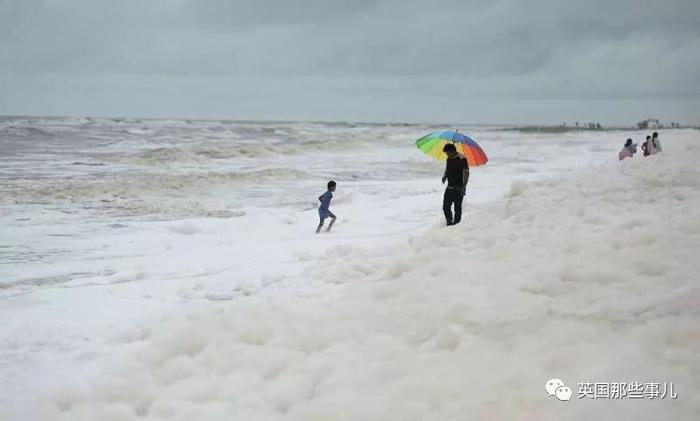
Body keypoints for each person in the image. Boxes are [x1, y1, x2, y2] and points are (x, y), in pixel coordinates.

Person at [441, 143, 469, 226]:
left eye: (448, 153)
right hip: (449, 187)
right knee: (445, 207)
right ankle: (449, 223)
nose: (447, 155)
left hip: (458, 188)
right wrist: (445, 176)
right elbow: (448, 168)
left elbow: (466, 173)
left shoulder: (462, 159)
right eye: (446, 153)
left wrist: (464, 186)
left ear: (453, 151)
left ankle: (456, 225)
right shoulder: (448, 159)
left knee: (457, 208)